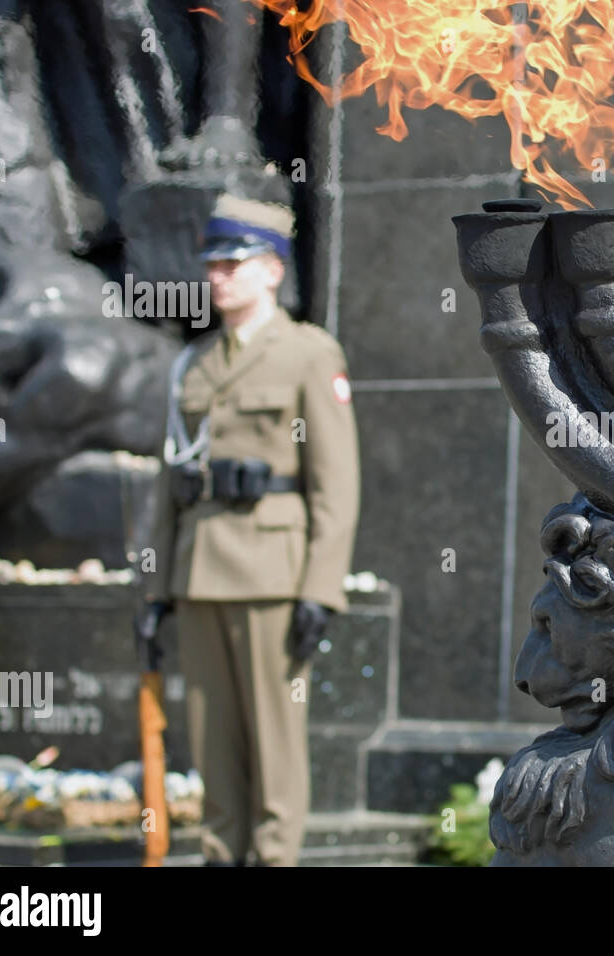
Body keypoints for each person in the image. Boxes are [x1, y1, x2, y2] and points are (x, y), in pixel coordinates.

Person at [133, 193, 360, 866]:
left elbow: (335, 483)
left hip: (273, 578)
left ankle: (274, 859)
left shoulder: (309, 354)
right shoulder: (193, 366)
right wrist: (152, 592)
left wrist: (320, 589)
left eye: (234, 263)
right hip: (200, 572)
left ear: (273, 269)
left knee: (275, 744)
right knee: (213, 746)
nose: (218, 277)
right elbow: (167, 488)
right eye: (213, 264)